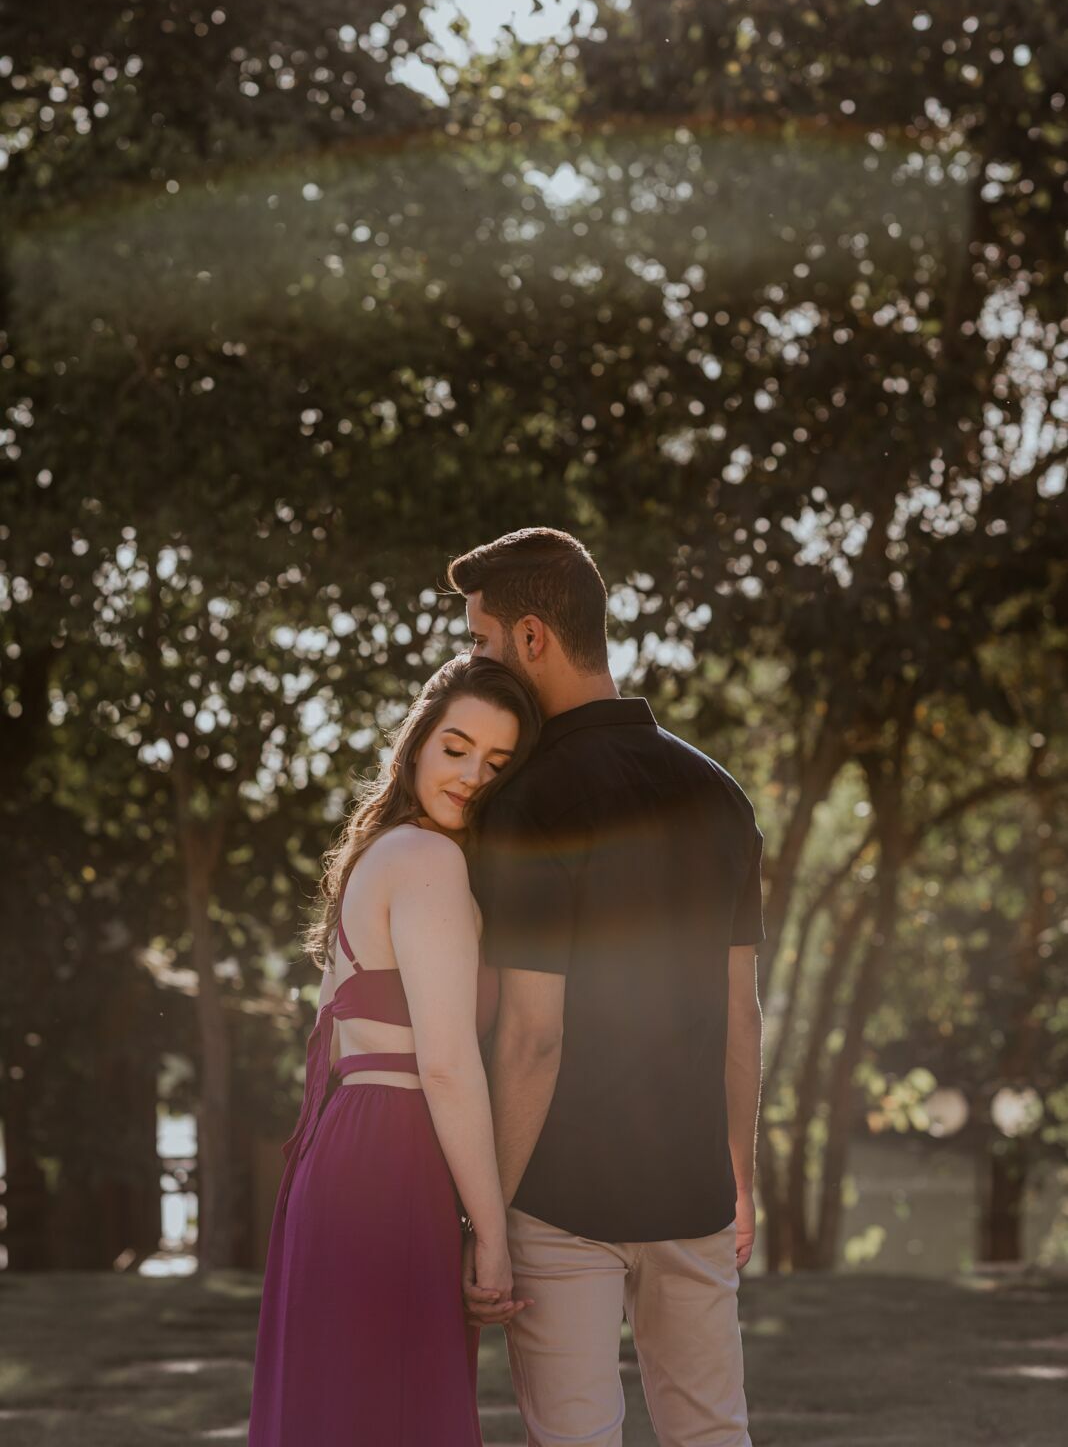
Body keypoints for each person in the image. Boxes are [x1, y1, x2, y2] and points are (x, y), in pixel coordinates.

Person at [449, 527, 764, 1447]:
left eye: (480, 640)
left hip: (561, 1202)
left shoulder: (528, 800)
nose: (475, 658)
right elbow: (741, 1012)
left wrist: (491, 1217)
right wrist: (738, 1176)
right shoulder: (720, 794)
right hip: (694, 1193)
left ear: (533, 638)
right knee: (713, 1434)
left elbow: (531, 1035)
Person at [248, 654, 540, 1447]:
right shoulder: (428, 859)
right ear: (416, 744)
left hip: (348, 1153)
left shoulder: (386, 852)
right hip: (390, 1157)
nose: (472, 774)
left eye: (496, 762)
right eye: (456, 747)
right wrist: (492, 1235)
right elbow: (446, 1063)